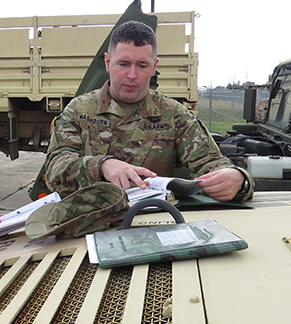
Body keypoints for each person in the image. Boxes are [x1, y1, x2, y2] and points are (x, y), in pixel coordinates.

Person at [43, 20, 253, 202]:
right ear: (108, 62)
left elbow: (211, 162)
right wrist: (101, 166)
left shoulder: (174, 116)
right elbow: (54, 170)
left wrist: (237, 178)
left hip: (152, 222)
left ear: (154, 67)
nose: (132, 75)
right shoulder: (79, 110)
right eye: (123, 64)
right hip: (86, 224)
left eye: (142, 65)